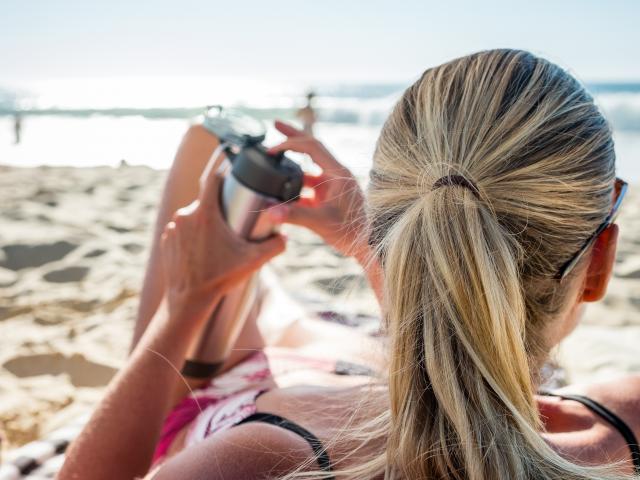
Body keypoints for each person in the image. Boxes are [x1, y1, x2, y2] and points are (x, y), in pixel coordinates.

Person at [59, 49, 640, 480]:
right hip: (351, 368)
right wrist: (368, 247)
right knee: (281, 308)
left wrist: (187, 298)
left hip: (256, 387)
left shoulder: (258, 462)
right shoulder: (621, 425)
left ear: (400, 227)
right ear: (599, 264)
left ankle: (233, 277)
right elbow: (458, 343)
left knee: (205, 144)